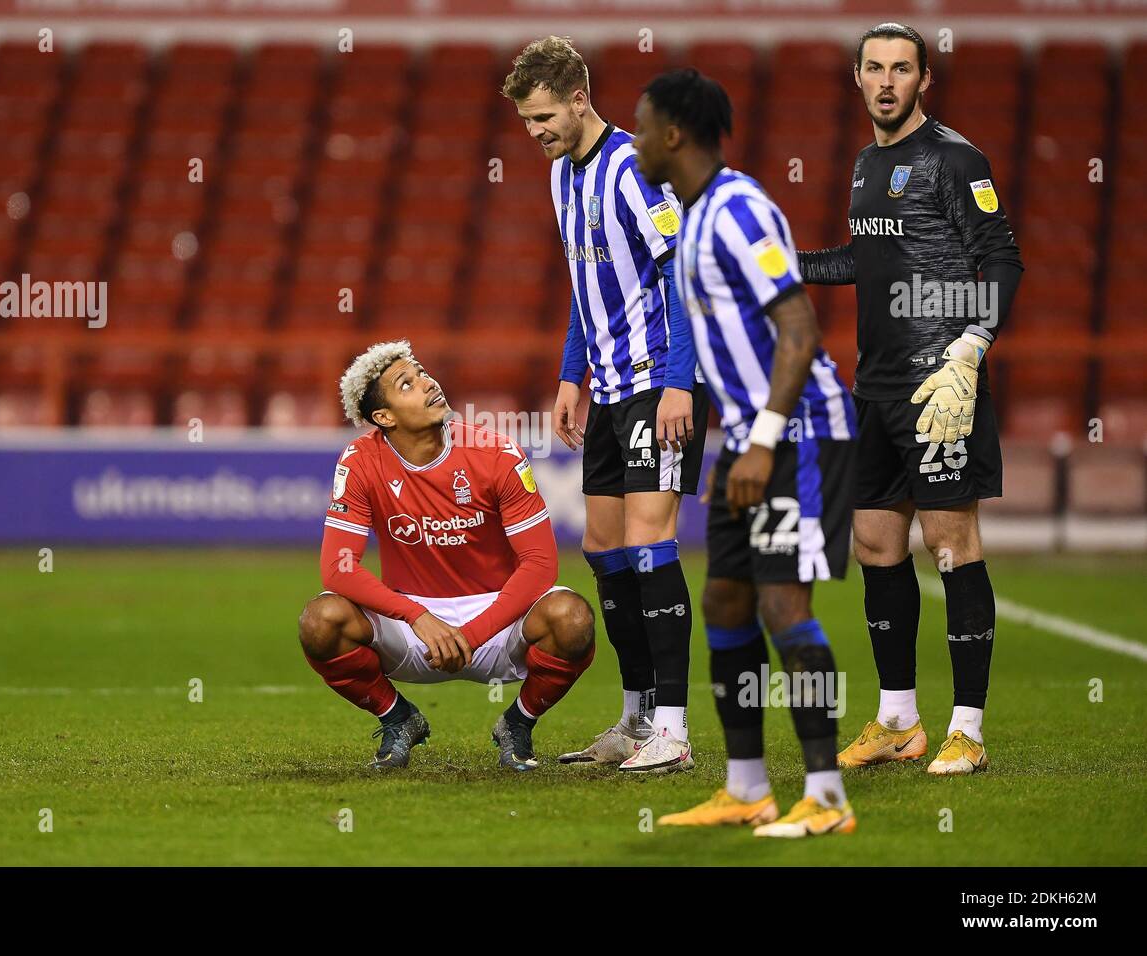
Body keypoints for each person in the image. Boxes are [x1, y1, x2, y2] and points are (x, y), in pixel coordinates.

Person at [633, 68, 859, 837]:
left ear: (674, 135)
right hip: (750, 440)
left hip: (799, 434)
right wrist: (734, 448)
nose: (632, 142)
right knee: (727, 600)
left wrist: (760, 443)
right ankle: (746, 788)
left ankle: (826, 798)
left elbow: (800, 330)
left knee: (782, 604)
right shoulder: (691, 219)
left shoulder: (738, 211)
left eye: (642, 126)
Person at [798, 23, 1024, 775]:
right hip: (877, 386)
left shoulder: (956, 159)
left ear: (925, 79)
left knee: (952, 545)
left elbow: (1002, 257)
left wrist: (970, 349)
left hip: (940, 386)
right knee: (874, 543)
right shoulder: (867, 164)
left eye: (902, 68)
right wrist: (781, 266)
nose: (887, 80)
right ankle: (899, 720)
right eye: (875, 68)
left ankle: (969, 729)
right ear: (856, 78)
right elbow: (861, 261)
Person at [502, 36, 709, 774]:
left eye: (546, 116)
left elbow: (680, 273)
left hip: (660, 385)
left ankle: (676, 734)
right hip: (611, 390)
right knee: (605, 552)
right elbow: (586, 287)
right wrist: (570, 374)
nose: (537, 132)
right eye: (528, 121)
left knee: (653, 544)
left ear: (581, 98)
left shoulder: (632, 168)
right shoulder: (560, 176)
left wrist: (681, 381)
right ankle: (636, 717)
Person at [299, 340, 596, 771]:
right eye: (407, 384)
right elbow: (338, 568)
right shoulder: (361, 461)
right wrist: (416, 616)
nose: (427, 384)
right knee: (319, 621)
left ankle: (518, 724)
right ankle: (397, 718)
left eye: (421, 373)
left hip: (497, 621)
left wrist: (473, 635)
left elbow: (540, 564)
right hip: (412, 628)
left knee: (573, 619)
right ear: (384, 417)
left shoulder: (497, 453)